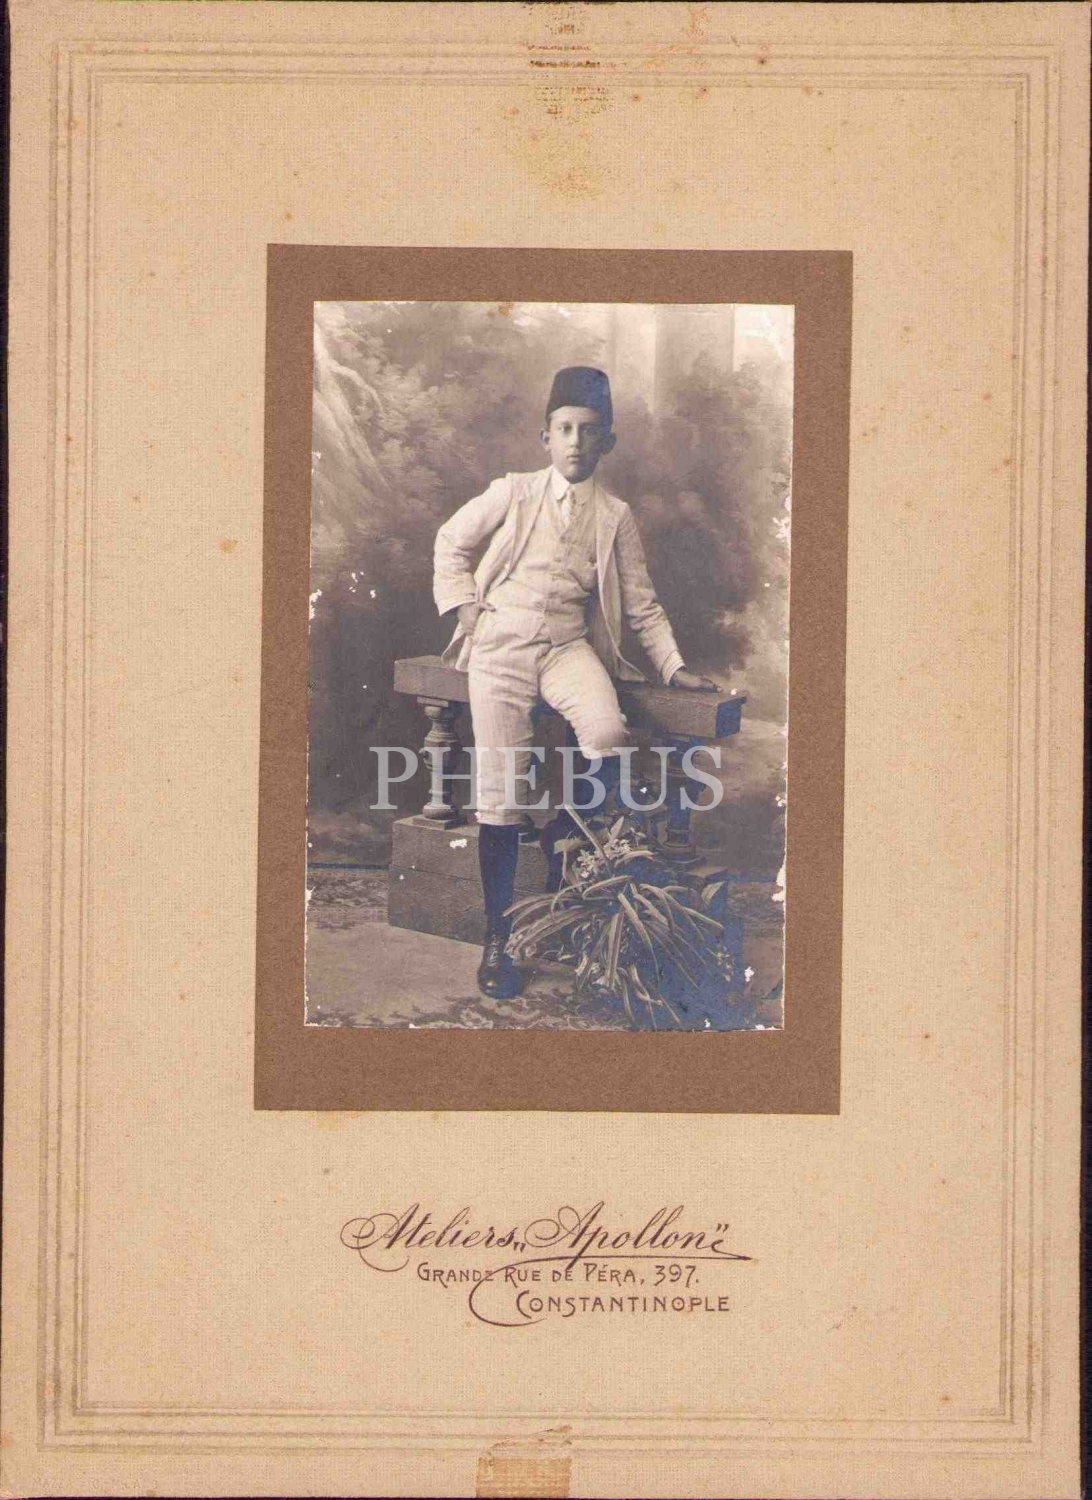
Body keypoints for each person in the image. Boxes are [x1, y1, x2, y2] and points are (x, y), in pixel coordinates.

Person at [433, 366, 718, 999]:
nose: (575, 442)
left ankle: (564, 830)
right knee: (500, 795)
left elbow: (641, 604)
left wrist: (672, 666)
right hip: (501, 649)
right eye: (564, 429)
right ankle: (498, 939)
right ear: (546, 437)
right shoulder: (514, 492)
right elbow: (450, 542)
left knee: (608, 732)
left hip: (566, 647)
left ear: (606, 442)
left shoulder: (614, 516)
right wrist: (465, 608)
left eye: (589, 431)